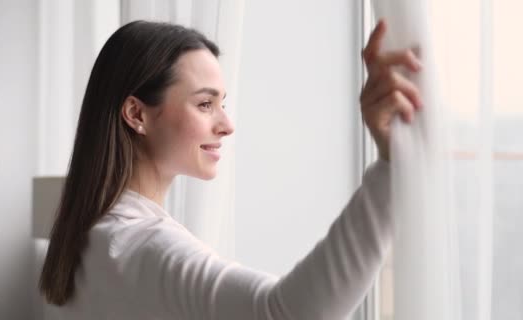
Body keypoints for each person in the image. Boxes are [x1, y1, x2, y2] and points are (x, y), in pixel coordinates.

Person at [39, 19, 422, 319]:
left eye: (223, 103)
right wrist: (389, 168)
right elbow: (288, 313)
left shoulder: (89, 235)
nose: (226, 124)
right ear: (137, 114)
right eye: (205, 104)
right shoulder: (143, 246)